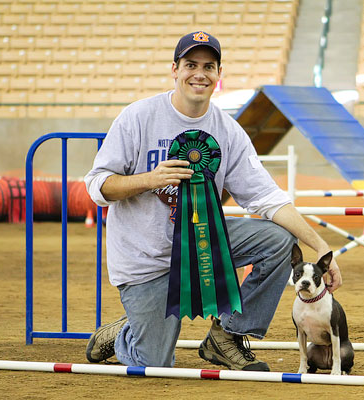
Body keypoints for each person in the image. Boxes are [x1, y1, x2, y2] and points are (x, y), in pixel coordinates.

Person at [83, 31, 342, 371]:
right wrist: (151, 179)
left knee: (279, 240)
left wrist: (322, 247)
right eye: (191, 64)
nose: (199, 74)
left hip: (202, 245)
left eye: (209, 66)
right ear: (174, 69)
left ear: (219, 75)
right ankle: (126, 334)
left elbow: (268, 198)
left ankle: (227, 335)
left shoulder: (228, 130)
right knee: (154, 365)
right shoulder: (137, 117)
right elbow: (97, 186)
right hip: (144, 261)